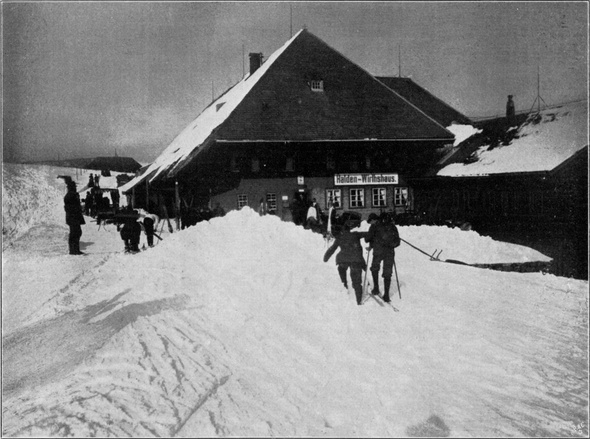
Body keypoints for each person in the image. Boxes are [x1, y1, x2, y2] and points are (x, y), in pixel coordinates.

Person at [324, 217, 368, 305]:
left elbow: (332, 249)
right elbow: (368, 234)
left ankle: (344, 283)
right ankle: (359, 300)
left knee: (341, 268)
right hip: (356, 260)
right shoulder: (356, 234)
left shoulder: (340, 237)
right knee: (356, 281)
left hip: (344, 260)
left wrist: (326, 258)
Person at [365, 212, 401, 303]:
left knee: (374, 268)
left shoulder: (374, 226)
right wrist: (390, 245)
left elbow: (367, 238)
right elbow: (397, 242)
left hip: (378, 251)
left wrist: (372, 242)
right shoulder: (392, 227)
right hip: (390, 252)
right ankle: (386, 295)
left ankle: (376, 288)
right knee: (387, 272)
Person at [63, 178, 86, 255]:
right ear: (71, 187)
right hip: (73, 217)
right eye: (74, 187)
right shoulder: (70, 196)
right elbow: (68, 208)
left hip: (74, 217)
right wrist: (77, 209)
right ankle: (73, 250)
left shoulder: (72, 195)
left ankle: (75, 250)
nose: (75, 188)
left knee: (77, 232)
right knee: (74, 233)